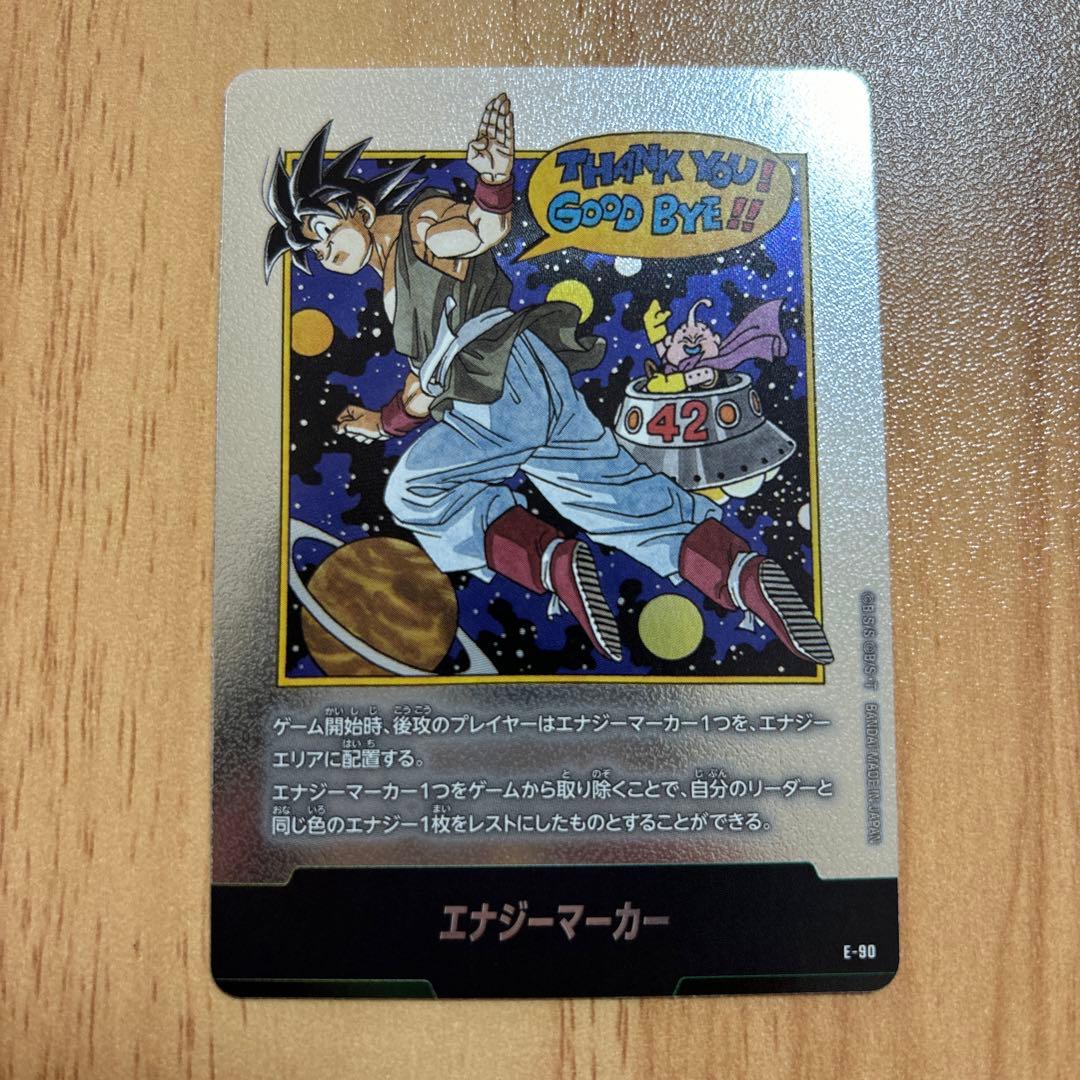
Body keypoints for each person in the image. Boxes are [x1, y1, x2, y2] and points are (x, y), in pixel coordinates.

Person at [264, 94, 833, 667]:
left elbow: (474, 233)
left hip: (495, 389)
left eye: (323, 229)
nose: (323, 249)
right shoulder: (393, 275)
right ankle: (742, 575)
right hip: (532, 375)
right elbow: (424, 385)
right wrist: (381, 422)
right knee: (616, 496)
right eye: (313, 248)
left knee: (415, 490)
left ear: (358, 208)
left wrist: (493, 183)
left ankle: (549, 561)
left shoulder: (418, 227)